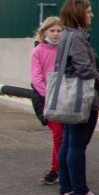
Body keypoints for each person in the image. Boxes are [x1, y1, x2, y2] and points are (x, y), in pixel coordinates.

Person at [53, 0, 99, 195]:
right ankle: (80, 192)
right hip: (81, 100)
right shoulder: (77, 37)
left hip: (67, 99)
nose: (92, 15)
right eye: (88, 12)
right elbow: (84, 68)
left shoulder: (65, 36)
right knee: (76, 145)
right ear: (79, 14)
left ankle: (66, 189)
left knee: (68, 143)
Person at [29, 16, 63, 186]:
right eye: (52, 31)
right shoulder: (38, 51)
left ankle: (58, 169)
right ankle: (56, 169)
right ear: (44, 32)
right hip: (47, 99)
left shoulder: (64, 50)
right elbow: (36, 78)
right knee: (58, 134)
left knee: (64, 135)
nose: (56, 34)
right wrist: (48, 95)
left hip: (64, 99)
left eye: (59, 30)